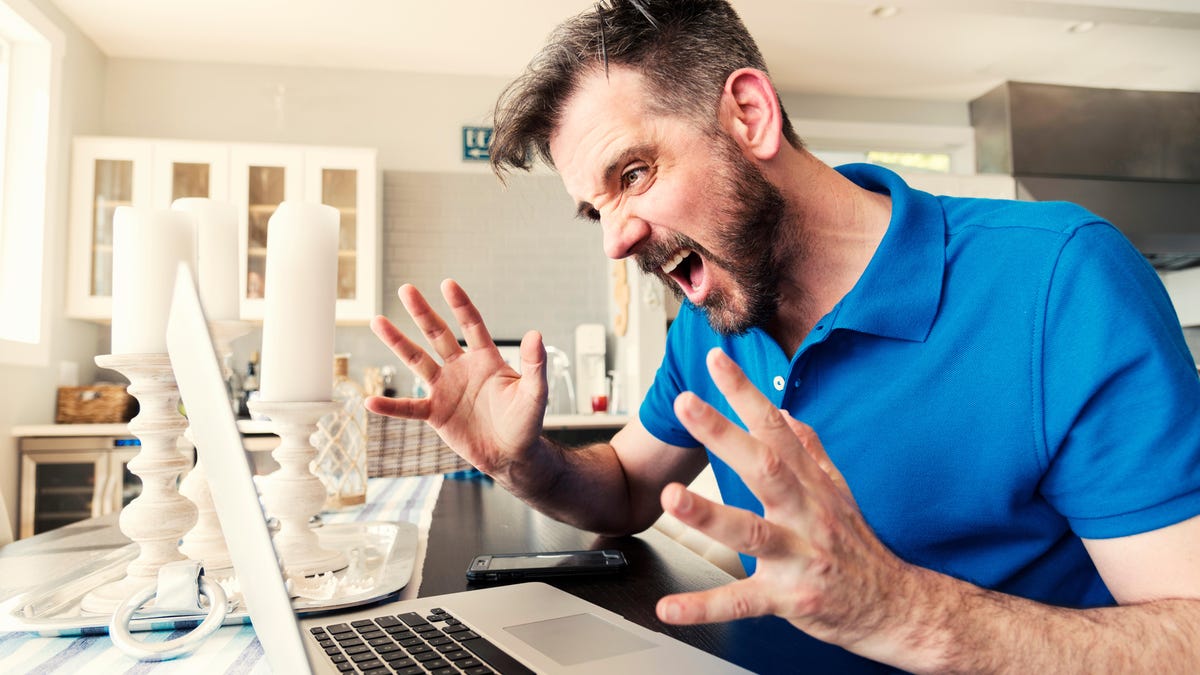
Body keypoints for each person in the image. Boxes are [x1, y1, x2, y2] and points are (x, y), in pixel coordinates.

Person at [365, 1, 1200, 671]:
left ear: (750, 114)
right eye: (597, 209)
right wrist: (522, 461)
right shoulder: (714, 315)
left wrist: (900, 611)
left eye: (634, 173)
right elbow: (624, 485)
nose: (615, 240)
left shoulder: (1059, 280)